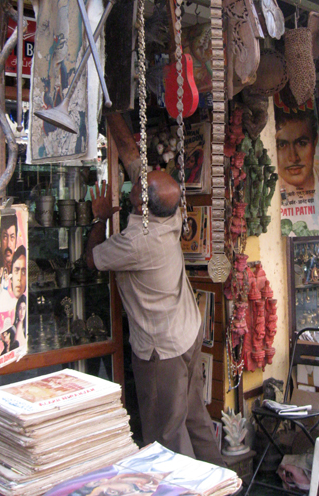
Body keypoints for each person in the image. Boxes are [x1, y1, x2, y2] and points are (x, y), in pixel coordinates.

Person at [85, 112, 224, 466]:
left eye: (143, 184)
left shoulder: (136, 243)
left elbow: (92, 260)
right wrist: (111, 113)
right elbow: (134, 165)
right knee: (194, 417)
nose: (139, 179)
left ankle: (184, 489)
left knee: (167, 434)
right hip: (187, 334)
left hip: (163, 348)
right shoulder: (171, 214)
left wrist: (100, 217)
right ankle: (222, 482)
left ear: (141, 203)